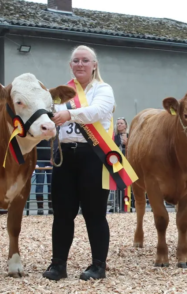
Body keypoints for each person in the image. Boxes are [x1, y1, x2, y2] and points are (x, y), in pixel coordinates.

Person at [42, 45, 116, 280]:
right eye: (76, 61)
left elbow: (98, 111)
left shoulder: (103, 89)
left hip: (93, 156)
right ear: (70, 65)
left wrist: (70, 115)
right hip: (65, 155)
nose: (80, 64)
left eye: (85, 60)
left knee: (95, 213)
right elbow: (50, 118)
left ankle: (98, 265)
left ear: (94, 65)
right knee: (62, 213)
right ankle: (58, 264)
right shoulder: (62, 93)